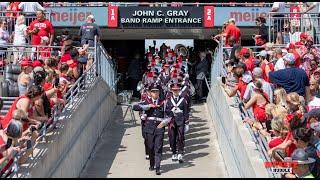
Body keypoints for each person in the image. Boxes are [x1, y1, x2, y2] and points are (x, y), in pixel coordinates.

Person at [132, 83, 170, 175]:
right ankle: (152, 164)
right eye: (153, 92)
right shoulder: (146, 102)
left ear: (159, 93)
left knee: (158, 147)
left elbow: (170, 114)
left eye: (157, 92)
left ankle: (158, 167)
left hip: (159, 128)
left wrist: (164, 123)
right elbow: (135, 107)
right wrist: (148, 106)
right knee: (150, 147)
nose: (155, 93)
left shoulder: (163, 103)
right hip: (149, 128)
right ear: (150, 93)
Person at [165, 83, 189, 163]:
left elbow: (186, 111)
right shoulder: (168, 100)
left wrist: (187, 123)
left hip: (180, 121)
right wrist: (171, 112)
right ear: (171, 91)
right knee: (172, 138)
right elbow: (166, 111)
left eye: (177, 90)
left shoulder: (183, 100)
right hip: (172, 122)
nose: (176, 91)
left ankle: (180, 153)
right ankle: (174, 152)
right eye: (174, 90)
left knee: (180, 137)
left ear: (179, 91)